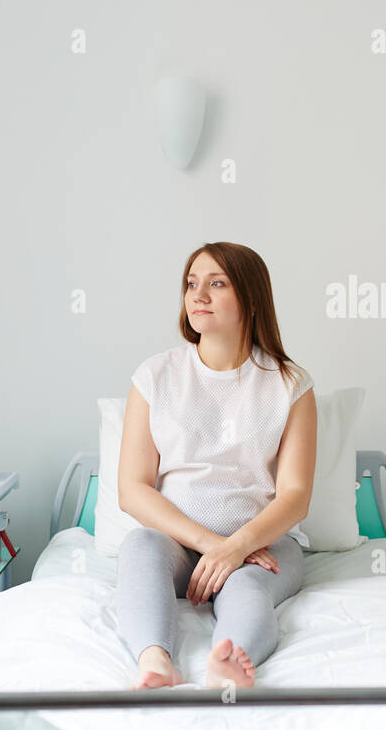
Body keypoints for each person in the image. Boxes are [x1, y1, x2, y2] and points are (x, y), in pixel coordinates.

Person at [112, 242, 316, 689]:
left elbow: (295, 496)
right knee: (140, 548)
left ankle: (228, 663)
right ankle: (155, 663)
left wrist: (239, 546)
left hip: (262, 543)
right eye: (191, 284)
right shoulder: (155, 376)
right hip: (178, 542)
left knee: (246, 587)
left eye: (216, 283)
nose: (198, 294)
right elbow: (133, 489)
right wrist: (213, 546)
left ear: (252, 299)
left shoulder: (290, 384)